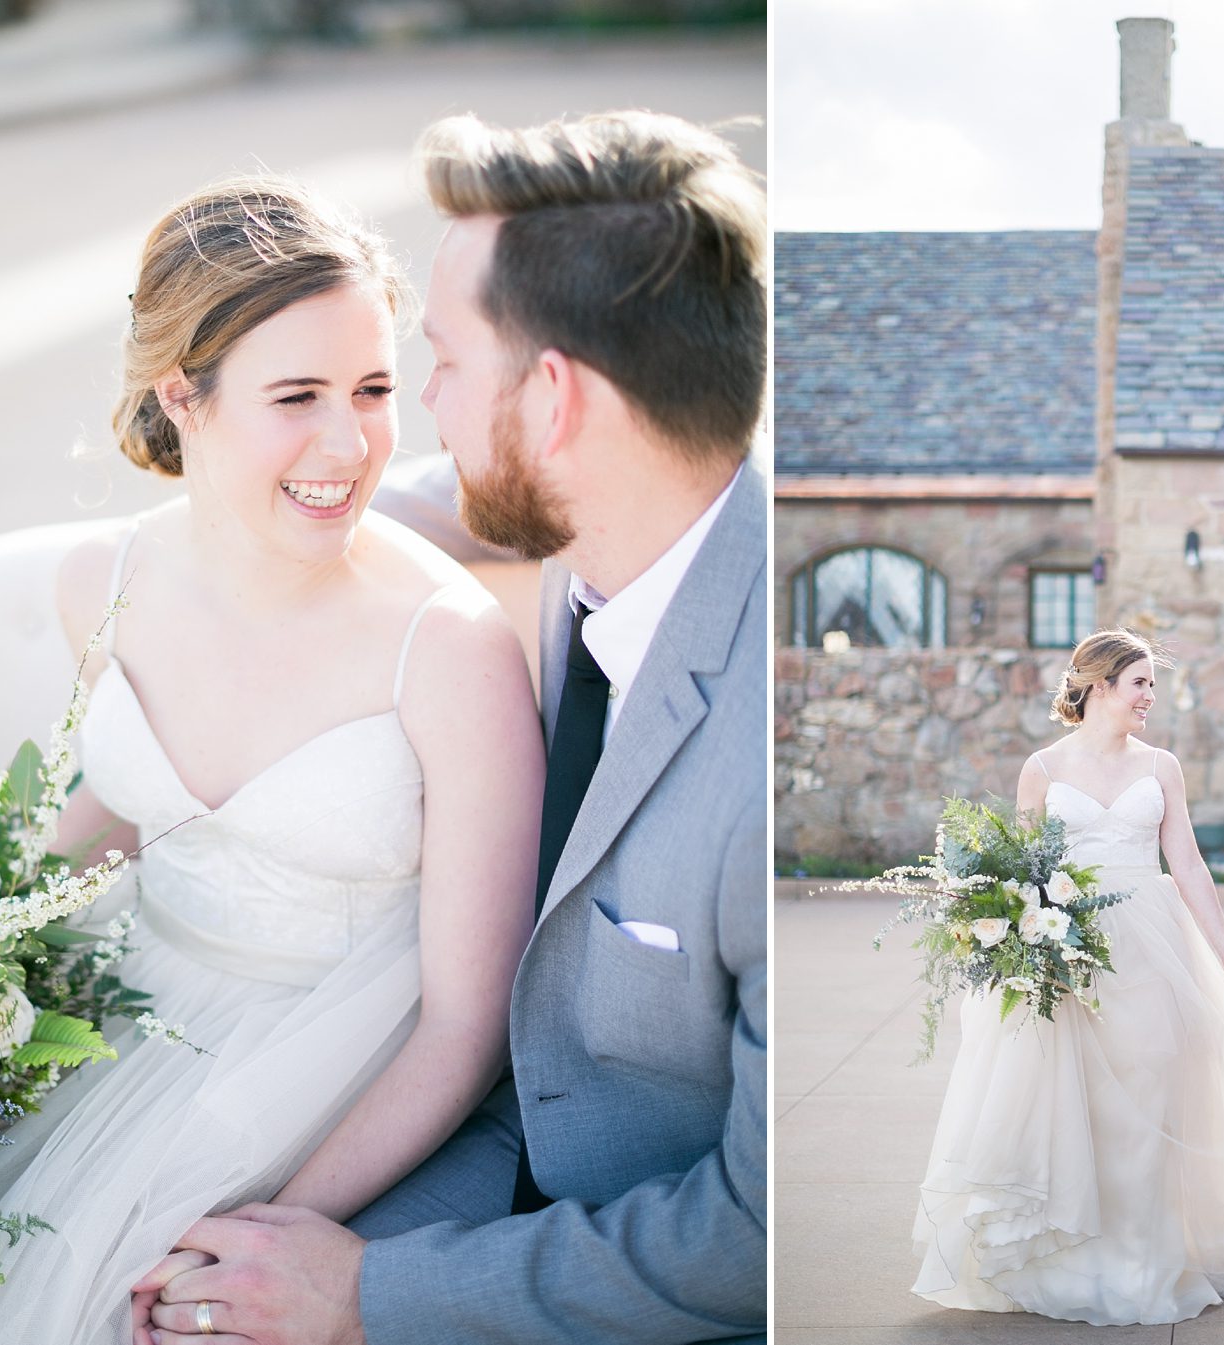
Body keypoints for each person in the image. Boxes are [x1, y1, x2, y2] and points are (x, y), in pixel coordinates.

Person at [133, 109, 769, 1343]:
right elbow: (374, 484)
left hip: (645, 1254)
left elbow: (751, 1238)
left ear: (556, 398)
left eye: (436, 366)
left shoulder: (760, 747)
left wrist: (368, 1295)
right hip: (493, 1136)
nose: (408, 410)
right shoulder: (615, 525)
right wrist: (239, 471)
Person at [0, 177, 543, 1343]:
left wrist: (265, 1227)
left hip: (331, 1076)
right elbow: (124, 811)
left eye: (375, 390)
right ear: (183, 394)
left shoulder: (451, 651)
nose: (352, 442)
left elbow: (465, 1026)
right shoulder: (108, 580)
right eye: (299, 396)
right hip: (126, 1021)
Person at [911, 628, 1224, 1325]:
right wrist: (1014, 940)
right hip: (1069, 948)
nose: (1150, 697)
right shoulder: (1043, 768)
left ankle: (1144, 1259)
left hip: (1151, 946)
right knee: (1077, 1104)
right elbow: (1021, 870)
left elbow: (1189, 864)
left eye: (1152, 685)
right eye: (1140, 682)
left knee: (1150, 1091)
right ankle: (1080, 1260)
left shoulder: (1163, 765)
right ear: (1100, 685)